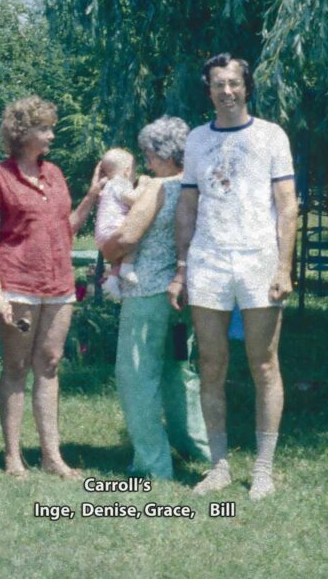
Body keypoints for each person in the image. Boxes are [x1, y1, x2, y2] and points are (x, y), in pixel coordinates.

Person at [167, 53, 298, 500]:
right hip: (209, 261)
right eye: (218, 84)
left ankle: (263, 468)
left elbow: (287, 206)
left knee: (263, 364)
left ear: (247, 87)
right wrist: (182, 269)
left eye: (234, 83)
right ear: (208, 89)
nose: (226, 91)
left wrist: (283, 266)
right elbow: (187, 207)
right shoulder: (197, 141)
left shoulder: (270, 137)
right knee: (211, 365)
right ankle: (219, 465)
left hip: (259, 259)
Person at [0, 96, 104, 479]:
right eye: (44, 128)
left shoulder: (56, 174)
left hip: (59, 287)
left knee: (49, 365)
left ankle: (52, 456)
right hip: (17, 288)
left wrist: (92, 197)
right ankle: (13, 456)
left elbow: (66, 229)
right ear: (22, 133)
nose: (51, 134)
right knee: (16, 366)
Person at [99, 116, 210, 480]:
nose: (145, 161)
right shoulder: (195, 186)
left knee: (136, 376)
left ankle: (153, 463)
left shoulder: (156, 187)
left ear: (165, 153)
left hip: (146, 292)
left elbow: (128, 237)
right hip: (181, 296)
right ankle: (196, 447)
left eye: (148, 153)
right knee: (179, 372)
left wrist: (106, 249)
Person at [94, 147, 145, 299]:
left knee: (118, 258)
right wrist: (142, 186)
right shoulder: (120, 183)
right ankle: (127, 269)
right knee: (136, 236)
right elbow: (133, 200)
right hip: (114, 230)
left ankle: (112, 280)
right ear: (127, 171)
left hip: (102, 235)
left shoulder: (107, 186)